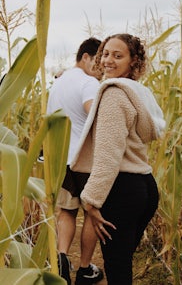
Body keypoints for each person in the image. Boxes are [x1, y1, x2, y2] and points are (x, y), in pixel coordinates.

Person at [70, 33, 166, 285]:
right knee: (122, 259)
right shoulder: (138, 93)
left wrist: (90, 201)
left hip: (121, 190)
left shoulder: (113, 95)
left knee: (117, 267)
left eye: (118, 55)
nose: (108, 60)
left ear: (133, 61)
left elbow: (108, 156)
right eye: (106, 53)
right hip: (144, 185)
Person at [47, 37, 104, 285]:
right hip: (84, 159)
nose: (101, 69)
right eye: (99, 62)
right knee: (92, 215)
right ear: (85, 57)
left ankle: (61, 259)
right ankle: (84, 269)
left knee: (67, 211)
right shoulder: (89, 83)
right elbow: (96, 115)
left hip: (61, 158)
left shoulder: (59, 82)